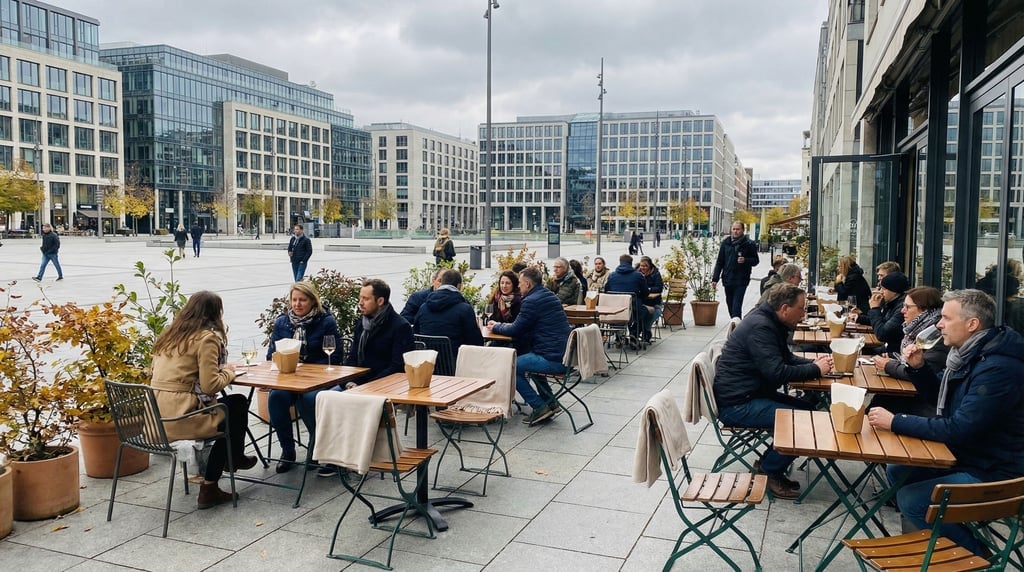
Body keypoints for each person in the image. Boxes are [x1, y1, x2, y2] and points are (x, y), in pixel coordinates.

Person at [867, 289, 1024, 556]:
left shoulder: (998, 369)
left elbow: (959, 428)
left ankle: (975, 556)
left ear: (972, 324)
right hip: (973, 456)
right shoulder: (974, 354)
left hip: (997, 472)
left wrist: (896, 422)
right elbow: (946, 396)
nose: (938, 324)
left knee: (912, 499)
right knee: (898, 469)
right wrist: (919, 369)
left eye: (946, 318)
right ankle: (925, 542)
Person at [713, 283, 833, 499]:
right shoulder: (762, 327)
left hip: (750, 393)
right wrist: (814, 368)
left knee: (808, 409)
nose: (804, 313)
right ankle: (770, 471)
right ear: (785, 308)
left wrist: (815, 364)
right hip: (738, 404)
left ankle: (769, 462)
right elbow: (777, 372)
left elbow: (784, 359)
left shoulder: (769, 321)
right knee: (804, 422)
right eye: (801, 308)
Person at [150, 291, 256, 508]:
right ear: (215, 314)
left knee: (232, 405)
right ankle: (211, 485)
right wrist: (229, 371)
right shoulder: (206, 338)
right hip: (181, 418)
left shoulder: (169, 336)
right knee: (235, 406)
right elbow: (211, 385)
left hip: (156, 420)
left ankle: (234, 457)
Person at [265, 282, 342, 473]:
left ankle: (316, 447)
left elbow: (336, 356)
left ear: (312, 301)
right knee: (276, 397)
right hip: (289, 378)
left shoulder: (325, 321)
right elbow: (270, 356)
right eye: (294, 300)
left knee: (309, 399)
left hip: (317, 378)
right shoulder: (283, 322)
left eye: (302, 300)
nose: (297, 304)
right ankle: (287, 451)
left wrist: (311, 370)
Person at [486, 267, 571, 425]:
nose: (518, 286)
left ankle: (539, 406)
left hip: (552, 358)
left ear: (528, 285)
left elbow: (516, 329)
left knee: (510, 366)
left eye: (520, 283)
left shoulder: (531, 301)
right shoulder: (549, 295)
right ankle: (550, 401)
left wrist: (496, 326)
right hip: (562, 354)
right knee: (528, 362)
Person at [870, 286, 948, 416]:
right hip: (916, 395)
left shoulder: (935, 335)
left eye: (908, 307)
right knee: (881, 401)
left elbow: (924, 370)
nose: (902, 310)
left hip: (925, 405)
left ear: (925, 311)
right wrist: (894, 358)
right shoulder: (915, 329)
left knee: (882, 404)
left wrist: (888, 365)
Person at [345, 278, 414, 382]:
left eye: (366, 299)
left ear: (380, 301)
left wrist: (367, 385)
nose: (360, 303)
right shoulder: (361, 323)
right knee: (324, 396)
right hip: (356, 383)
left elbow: (398, 367)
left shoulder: (400, 326)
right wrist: (348, 382)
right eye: (360, 298)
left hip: (383, 386)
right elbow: (352, 358)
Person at [413, 269, 484, 355]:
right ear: (459, 286)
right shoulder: (465, 310)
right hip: (455, 364)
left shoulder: (423, 308)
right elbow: (476, 343)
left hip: (427, 363)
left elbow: (415, 335)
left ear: (442, 284)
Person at [712, 221, 761, 319]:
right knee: (730, 304)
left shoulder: (749, 244)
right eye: (733, 229)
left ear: (743, 230)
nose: (735, 231)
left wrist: (746, 260)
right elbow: (720, 262)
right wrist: (715, 279)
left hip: (741, 279)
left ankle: (736, 329)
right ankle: (736, 324)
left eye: (738, 229)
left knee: (736, 306)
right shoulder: (726, 242)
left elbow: (756, 260)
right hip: (728, 278)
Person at [605, 253, 650, 342]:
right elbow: (646, 293)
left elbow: (607, 291)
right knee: (645, 313)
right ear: (631, 263)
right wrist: (638, 297)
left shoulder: (612, 276)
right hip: (633, 308)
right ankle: (634, 333)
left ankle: (619, 334)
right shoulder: (638, 276)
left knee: (620, 317)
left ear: (620, 262)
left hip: (615, 308)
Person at [862, 271, 909, 352]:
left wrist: (875, 309)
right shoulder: (892, 303)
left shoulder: (902, 308)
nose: (881, 292)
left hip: (894, 352)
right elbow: (882, 321)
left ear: (894, 290)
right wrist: (859, 318)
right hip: (889, 348)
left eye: (884, 289)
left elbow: (882, 334)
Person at [637, 256, 663, 343]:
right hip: (642, 302)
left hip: (654, 303)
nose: (643, 268)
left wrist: (648, 289)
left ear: (650, 266)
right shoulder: (637, 273)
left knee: (652, 314)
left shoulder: (655, 274)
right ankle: (638, 333)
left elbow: (659, 288)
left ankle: (645, 330)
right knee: (636, 313)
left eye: (645, 266)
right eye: (641, 266)